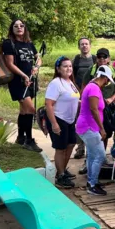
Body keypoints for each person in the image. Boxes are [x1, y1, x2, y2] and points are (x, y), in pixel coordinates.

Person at [79, 48, 115, 174]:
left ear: (109, 58)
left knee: (105, 133)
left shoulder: (113, 71)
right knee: (92, 134)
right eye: (99, 57)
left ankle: (102, 158)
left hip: (106, 106)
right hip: (93, 107)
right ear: (96, 58)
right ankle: (88, 162)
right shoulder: (91, 70)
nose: (102, 59)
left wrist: (112, 98)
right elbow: (83, 88)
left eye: (105, 57)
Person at [2, 18, 42, 152]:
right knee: (30, 109)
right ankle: (29, 140)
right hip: (18, 81)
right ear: (12, 29)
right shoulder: (9, 43)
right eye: (16, 26)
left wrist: (36, 67)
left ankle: (20, 137)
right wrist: (23, 75)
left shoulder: (29, 43)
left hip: (30, 80)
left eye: (21, 26)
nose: (19, 28)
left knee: (24, 111)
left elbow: (38, 58)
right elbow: (10, 63)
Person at [76, 65, 115, 196]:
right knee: (100, 155)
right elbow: (93, 109)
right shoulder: (93, 88)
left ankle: (92, 182)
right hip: (88, 126)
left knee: (93, 155)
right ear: (104, 78)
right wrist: (102, 129)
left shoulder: (93, 87)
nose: (107, 83)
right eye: (107, 80)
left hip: (90, 126)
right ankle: (92, 184)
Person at [45, 57, 80, 188]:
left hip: (70, 120)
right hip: (59, 119)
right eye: (65, 66)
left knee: (71, 144)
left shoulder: (70, 82)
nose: (68, 69)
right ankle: (60, 176)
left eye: (70, 66)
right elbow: (48, 104)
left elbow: (73, 98)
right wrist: (54, 124)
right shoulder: (56, 83)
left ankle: (63, 170)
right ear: (58, 69)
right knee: (60, 149)